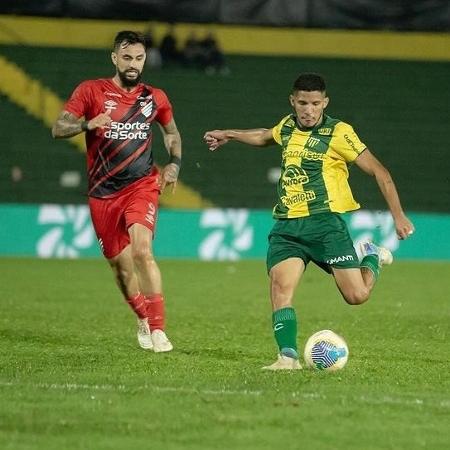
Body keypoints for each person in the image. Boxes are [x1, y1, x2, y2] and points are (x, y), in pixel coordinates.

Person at [204, 73, 414, 370]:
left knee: (356, 296)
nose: (309, 109)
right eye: (302, 102)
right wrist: (229, 134)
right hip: (288, 227)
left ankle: (372, 256)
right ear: (293, 101)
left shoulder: (339, 132)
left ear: (325, 102)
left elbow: (380, 172)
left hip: (325, 225)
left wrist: (398, 215)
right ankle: (287, 357)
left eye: (315, 103)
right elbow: (265, 135)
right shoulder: (288, 125)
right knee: (280, 288)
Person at [52, 30, 182, 353]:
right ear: (114, 58)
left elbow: (172, 134)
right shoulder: (91, 91)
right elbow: (58, 127)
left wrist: (175, 164)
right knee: (121, 268)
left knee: (142, 251)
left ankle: (159, 329)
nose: (134, 64)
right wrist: (87, 125)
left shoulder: (155, 98)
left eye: (139, 58)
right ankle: (142, 318)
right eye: (127, 58)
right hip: (102, 194)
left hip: (142, 185)